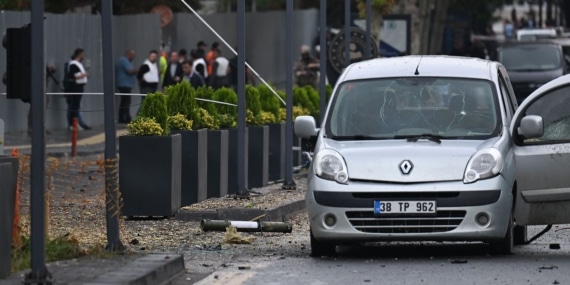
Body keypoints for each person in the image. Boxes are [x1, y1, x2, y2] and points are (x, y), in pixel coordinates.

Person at [65, 48, 91, 130]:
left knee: (76, 105)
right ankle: (73, 124)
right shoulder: (73, 64)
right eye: (82, 54)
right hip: (75, 87)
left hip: (79, 87)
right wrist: (83, 75)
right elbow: (72, 75)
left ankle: (75, 123)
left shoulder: (78, 64)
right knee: (75, 106)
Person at [115, 49, 138, 124]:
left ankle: (124, 117)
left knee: (124, 102)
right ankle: (125, 117)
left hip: (126, 84)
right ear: (129, 54)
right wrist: (139, 70)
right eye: (132, 56)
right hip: (124, 85)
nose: (133, 58)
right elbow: (130, 71)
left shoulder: (125, 61)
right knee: (126, 102)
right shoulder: (124, 60)